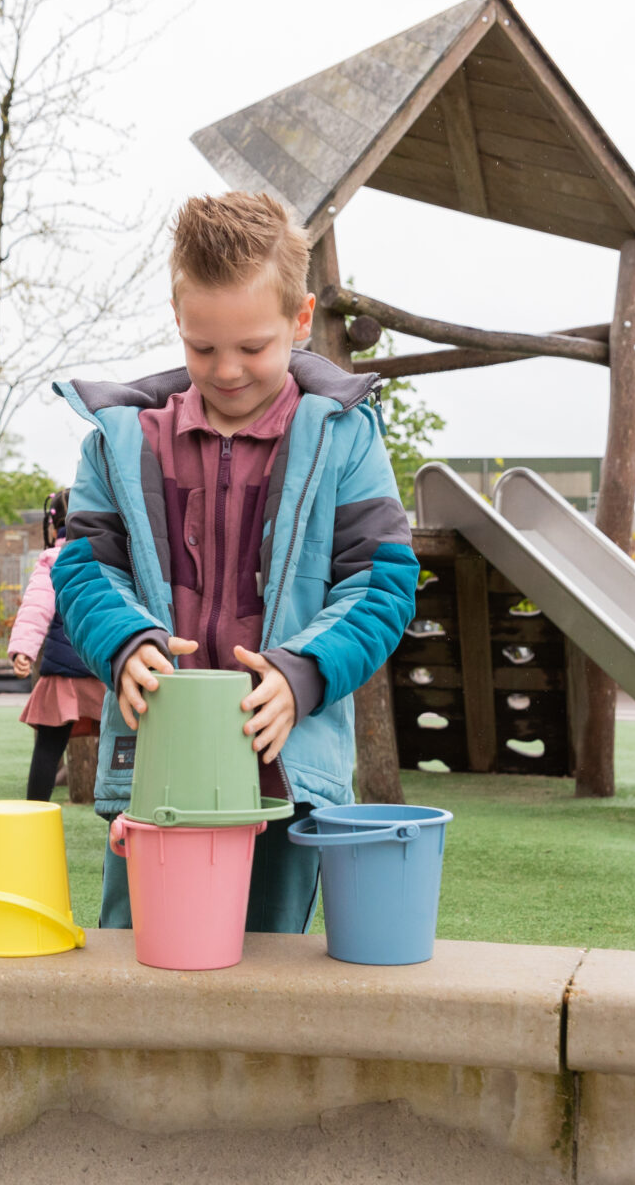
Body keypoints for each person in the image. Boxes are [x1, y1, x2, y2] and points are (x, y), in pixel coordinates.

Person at [50, 191, 418, 932]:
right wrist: (123, 644)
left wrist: (301, 670)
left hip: (283, 765)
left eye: (253, 347)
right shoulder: (119, 441)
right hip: (160, 768)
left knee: (268, 995)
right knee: (141, 968)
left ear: (301, 319)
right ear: (179, 322)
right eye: (202, 346)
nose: (225, 371)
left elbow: (383, 583)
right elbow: (85, 568)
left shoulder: (346, 438)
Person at [7, 490, 105, 800]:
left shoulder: (53, 559)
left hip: (64, 672)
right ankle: (128, 821)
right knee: (127, 746)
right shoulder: (111, 554)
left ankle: (33, 816)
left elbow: (36, 606)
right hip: (106, 666)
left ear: (53, 528)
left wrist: (24, 648)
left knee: (48, 748)